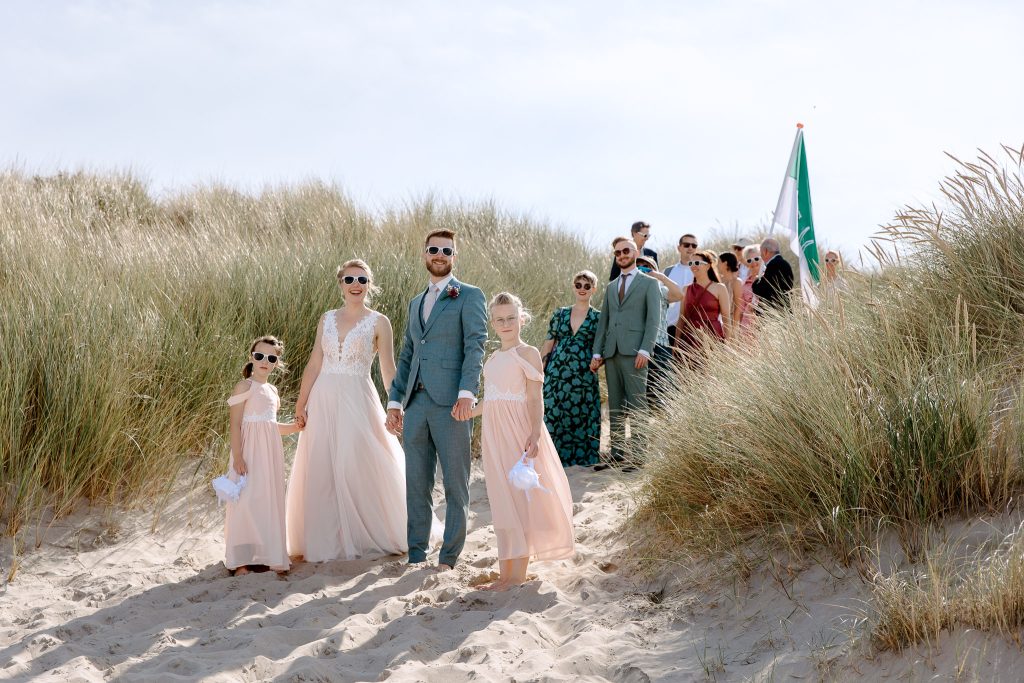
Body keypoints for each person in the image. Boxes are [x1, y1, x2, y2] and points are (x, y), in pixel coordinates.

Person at [287, 260, 410, 562]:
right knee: (323, 466)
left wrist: (395, 405)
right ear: (340, 283)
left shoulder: (379, 322)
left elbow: (387, 369)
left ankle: (370, 534)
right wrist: (301, 403)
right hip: (324, 398)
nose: (356, 285)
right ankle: (329, 541)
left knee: (357, 463)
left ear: (369, 284)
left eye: (363, 279)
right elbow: (315, 362)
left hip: (358, 398)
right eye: (350, 279)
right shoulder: (326, 318)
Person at [386, 230, 488, 571]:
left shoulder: (469, 296)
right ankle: (417, 554)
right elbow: (407, 354)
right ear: (424, 254)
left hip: (452, 405)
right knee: (416, 483)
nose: (439, 255)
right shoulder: (416, 302)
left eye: (447, 250)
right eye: (434, 249)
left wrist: (466, 393)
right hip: (415, 404)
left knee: (456, 484)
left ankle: (448, 558)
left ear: (454, 256)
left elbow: (476, 345)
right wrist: (395, 401)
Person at [460, 292, 574, 590]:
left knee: (518, 498)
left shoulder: (529, 353)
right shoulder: (493, 357)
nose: (506, 323)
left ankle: (516, 576)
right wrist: (470, 412)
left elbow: (535, 399)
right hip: (493, 433)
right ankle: (506, 571)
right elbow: (494, 397)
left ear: (521, 319)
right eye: (500, 319)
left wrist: (534, 434)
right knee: (500, 498)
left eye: (511, 317)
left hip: (518, 431)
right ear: (493, 323)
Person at [225, 336, 302, 576]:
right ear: (252, 357)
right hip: (248, 452)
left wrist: (295, 427)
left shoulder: (273, 390)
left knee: (265, 501)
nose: (264, 362)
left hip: (269, 455)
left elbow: (270, 426)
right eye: (260, 356)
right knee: (245, 502)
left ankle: (266, 556)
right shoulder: (244, 386)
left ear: (276, 363)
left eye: (271, 358)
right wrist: (238, 456)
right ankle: (241, 562)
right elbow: (236, 424)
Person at [591, 237, 662, 470]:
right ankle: (617, 454)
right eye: (617, 252)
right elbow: (604, 322)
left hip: (636, 353)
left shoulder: (649, 283)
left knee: (637, 404)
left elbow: (654, 321)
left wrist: (646, 349)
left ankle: (640, 457)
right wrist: (596, 353)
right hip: (611, 353)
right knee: (615, 405)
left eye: (625, 250)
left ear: (635, 252)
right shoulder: (611, 286)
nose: (621, 255)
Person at [540, 271, 602, 468]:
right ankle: (550, 457)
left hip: (584, 374)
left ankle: (582, 460)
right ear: (573, 287)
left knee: (582, 413)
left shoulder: (598, 317)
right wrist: (540, 370)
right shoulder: (560, 314)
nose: (582, 288)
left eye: (587, 285)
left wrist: (599, 362)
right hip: (556, 372)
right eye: (578, 284)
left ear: (594, 289)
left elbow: (602, 347)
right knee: (553, 411)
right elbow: (549, 343)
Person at [635, 255, 683, 407]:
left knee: (661, 395)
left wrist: (660, 276)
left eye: (646, 267)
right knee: (640, 395)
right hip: (637, 347)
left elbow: (679, 295)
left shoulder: (661, 290)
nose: (643, 270)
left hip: (660, 346)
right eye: (639, 267)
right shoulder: (629, 292)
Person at [675, 251, 730, 361]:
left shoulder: (719, 288)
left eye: (697, 262)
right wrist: (676, 344)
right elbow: (682, 318)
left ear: (708, 266)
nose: (693, 266)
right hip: (690, 337)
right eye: (691, 263)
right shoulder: (686, 289)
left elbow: (726, 319)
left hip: (713, 336)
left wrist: (728, 345)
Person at [664, 233, 698, 343]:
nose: (690, 248)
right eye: (687, 245)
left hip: (695, 327)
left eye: (694, 246)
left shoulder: (701, 270)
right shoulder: (668, 271)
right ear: (679, 247)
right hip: (671, 326)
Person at [752, 237, 794, 310]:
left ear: (765, 251)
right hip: (784, 309)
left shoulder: (773, 265)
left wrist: (756, 282)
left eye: (761, 253)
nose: (761, 256)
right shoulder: (785, 264)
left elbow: (763, 290)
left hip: (773, 311)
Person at [716, 252, 744, 336]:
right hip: (717, 322)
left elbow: (738, 306)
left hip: (731, 322)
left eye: (719, 262)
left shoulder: (736, 282)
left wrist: (733, 328)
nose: (717, 265)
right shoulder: (718, 281)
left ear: (725, 263)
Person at [739, 245, 762, 333]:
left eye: (756, 259)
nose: (753, 262)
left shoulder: (769, 279)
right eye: (749, 260)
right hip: (747, 330)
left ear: (762, 259)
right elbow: (740, 310)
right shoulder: (743, 285)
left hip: (766, 327)